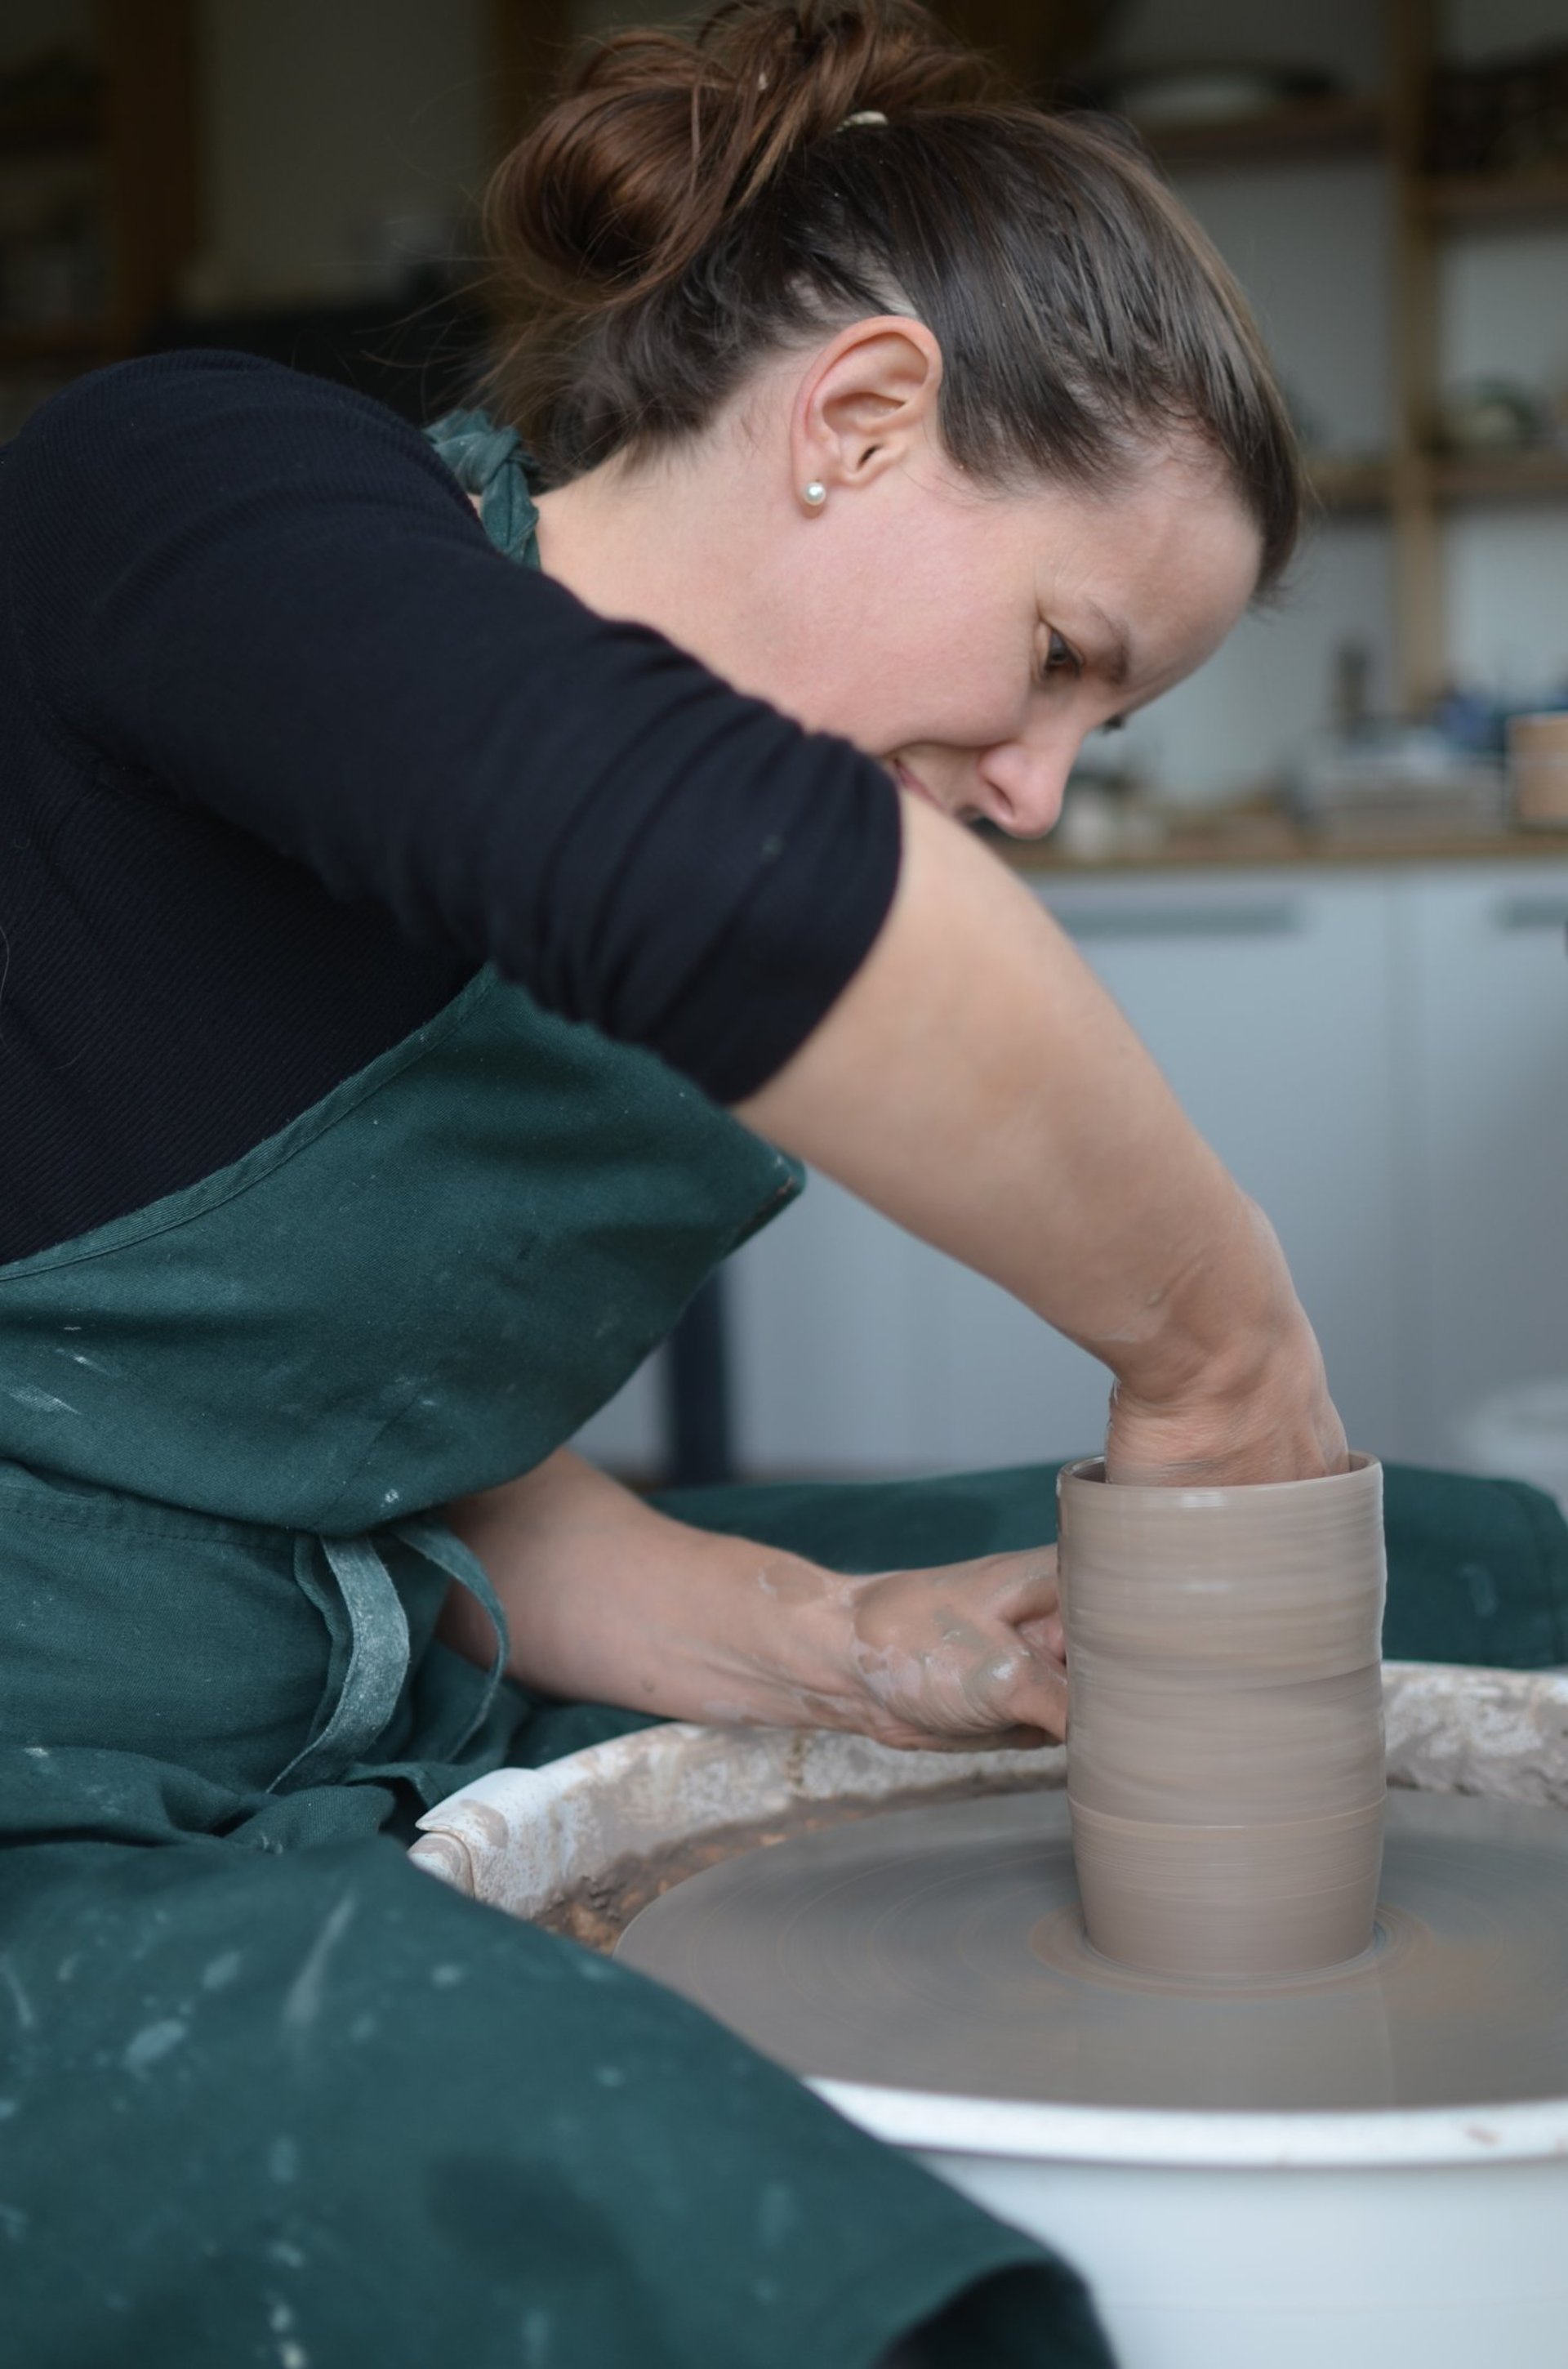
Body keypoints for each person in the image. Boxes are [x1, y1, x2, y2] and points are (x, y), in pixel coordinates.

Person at [3, 4, 1565, 2364]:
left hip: (338, 1670)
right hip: (51, 1798)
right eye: (1058, 658)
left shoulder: (745, 928)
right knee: (849, 2304)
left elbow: (399, 1484)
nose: (1042, 790)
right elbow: (731, 872)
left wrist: (854, 1651)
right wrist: (1221, 1353)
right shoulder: (209, 500)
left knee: (1488, 1570)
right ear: (853, 421)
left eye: (1101, 732)